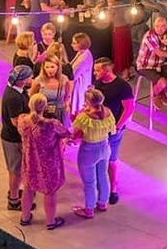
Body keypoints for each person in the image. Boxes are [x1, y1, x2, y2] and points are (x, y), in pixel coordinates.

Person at [17, 93, 72, 229]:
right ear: (45, 107)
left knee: (28, 189)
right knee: (50, 192)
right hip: (48, 165)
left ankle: (25, 217)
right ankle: (50, 221)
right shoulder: (51, 125)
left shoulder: (22, 120)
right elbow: (66, 133)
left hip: (29, 162)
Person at [92, 58, 133, 206]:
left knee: (111, 159)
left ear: (107, 70)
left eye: (97, 70)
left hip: (114, 129)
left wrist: (118, 126)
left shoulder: (122, 86)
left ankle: (113, 189)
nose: (94, 73)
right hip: (98, 127)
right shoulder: (98, 83)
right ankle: (101, 185)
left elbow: (129, 108)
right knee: (98, 157)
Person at [71, 87, 115, 219]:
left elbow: (76, 136)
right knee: (103, 176)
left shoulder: (84, 117)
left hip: (89, 151)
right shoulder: (107, 112)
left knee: (89, 182)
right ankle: (103, 203)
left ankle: (89, 209)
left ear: (87, 102)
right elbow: (112, 130)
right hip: (105, 147)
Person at [0, 65, 35, 211]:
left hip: (14, 138)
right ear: (22, 80)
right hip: (13, 140)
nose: (31, 80)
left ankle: (15, 192)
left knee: (18, 169)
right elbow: (16, 122)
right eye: (29, 77)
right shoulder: (13, 97)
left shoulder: (18, 91)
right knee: (16, 170)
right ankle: (13, 199)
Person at [32, 58, 71, 124]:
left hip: (60, 113)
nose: (49, 70)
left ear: (58, 67)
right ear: (43, 68)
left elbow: (66, 98)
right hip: (44, 114)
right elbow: (33, 98)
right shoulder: (38, 81)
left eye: (52, 67)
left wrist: (67, 108)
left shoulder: (64, 80)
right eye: (47, 67)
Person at [104, 0, 136, 68]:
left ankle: (123, 70)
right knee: (125, 51)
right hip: (126, 30)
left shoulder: (113, 6)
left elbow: (107, 20)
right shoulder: (123, 3)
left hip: (119, 32)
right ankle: (127, 68)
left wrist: (108, 7)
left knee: (120, 52)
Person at [68, 32, 95, 119]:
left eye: (74, 43)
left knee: (76, 106)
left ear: (81, 44)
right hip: (79, 83)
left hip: (79, 85)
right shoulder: (82, 52)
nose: (72, 45)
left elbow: (74, 75)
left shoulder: (83, 58)